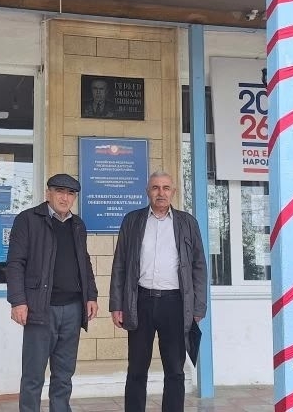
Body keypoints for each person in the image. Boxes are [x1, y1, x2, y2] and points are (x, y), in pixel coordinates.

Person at [109, 171, 208, 412]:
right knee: (136, 369)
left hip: (175, 304)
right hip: (140, 301)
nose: (161, 193)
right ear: (147, 192)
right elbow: (120, 263)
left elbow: (199, 266)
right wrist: (116, 304)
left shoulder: (187, 222)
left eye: (165, 188)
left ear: (173, 192)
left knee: (174, 369)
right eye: (155, 188)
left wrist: (198, 306)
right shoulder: (132, 220)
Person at [6, 173, 99, 412]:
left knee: (64, 374)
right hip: (40, 309)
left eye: (70, 194)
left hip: (73, 310)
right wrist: (18, 301)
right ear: (48, 193)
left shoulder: (77, 225)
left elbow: (84, 262)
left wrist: (91, 296)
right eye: (60, 192)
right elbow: (15, 263)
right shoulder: (28, 220)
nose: (65, 198)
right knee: (33, 374)